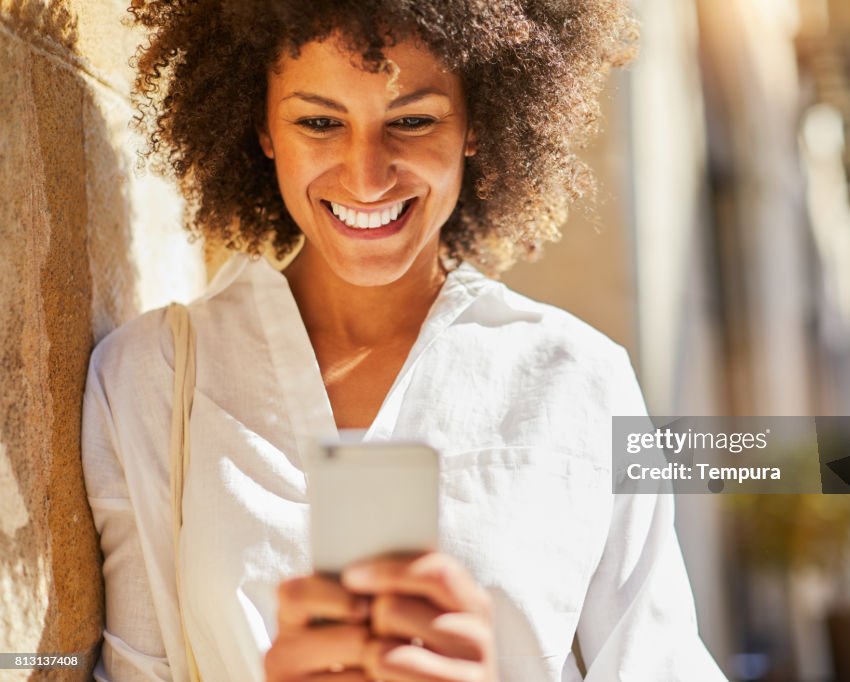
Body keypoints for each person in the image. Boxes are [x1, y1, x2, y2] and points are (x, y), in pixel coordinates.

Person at [82, 1, 727, 680]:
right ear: (261, 124)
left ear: (476, 122)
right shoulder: (150, 381)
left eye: (413, 121)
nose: (366, 176)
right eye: (319, 122)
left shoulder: (582, 384)